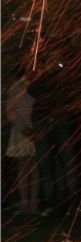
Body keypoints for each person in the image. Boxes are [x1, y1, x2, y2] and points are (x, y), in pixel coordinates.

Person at [5, 65, 40, 215]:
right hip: (25, 129)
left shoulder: (22, 85)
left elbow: (12, 111)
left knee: (28, 167)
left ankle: (29, 203)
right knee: (28, 167)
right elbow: (12, 111)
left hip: (26, 129)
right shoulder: (20, 85)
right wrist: (25, 129)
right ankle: (28, 202)